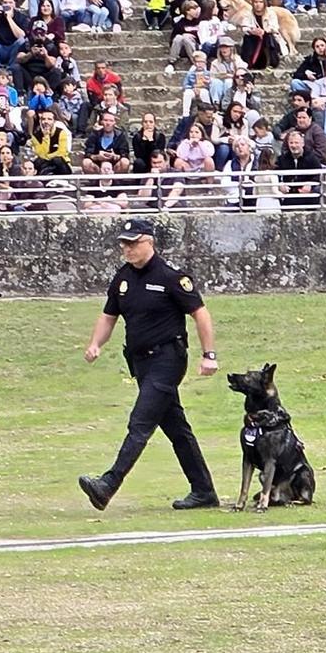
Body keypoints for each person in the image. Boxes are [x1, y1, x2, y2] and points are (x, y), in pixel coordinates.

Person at [76, 219, 219, 511]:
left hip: (167, 360)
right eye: (123, 244)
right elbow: (109, 315)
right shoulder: (123, 278)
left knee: (139, 423)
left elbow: (200, 314)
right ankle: (204, 491)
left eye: (133, 243)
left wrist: (209, 354)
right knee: (177, 430)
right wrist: (96, 344)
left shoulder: (171, 277)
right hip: (140, 362)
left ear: (149, 242)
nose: (127, 249)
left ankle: (108, 485)